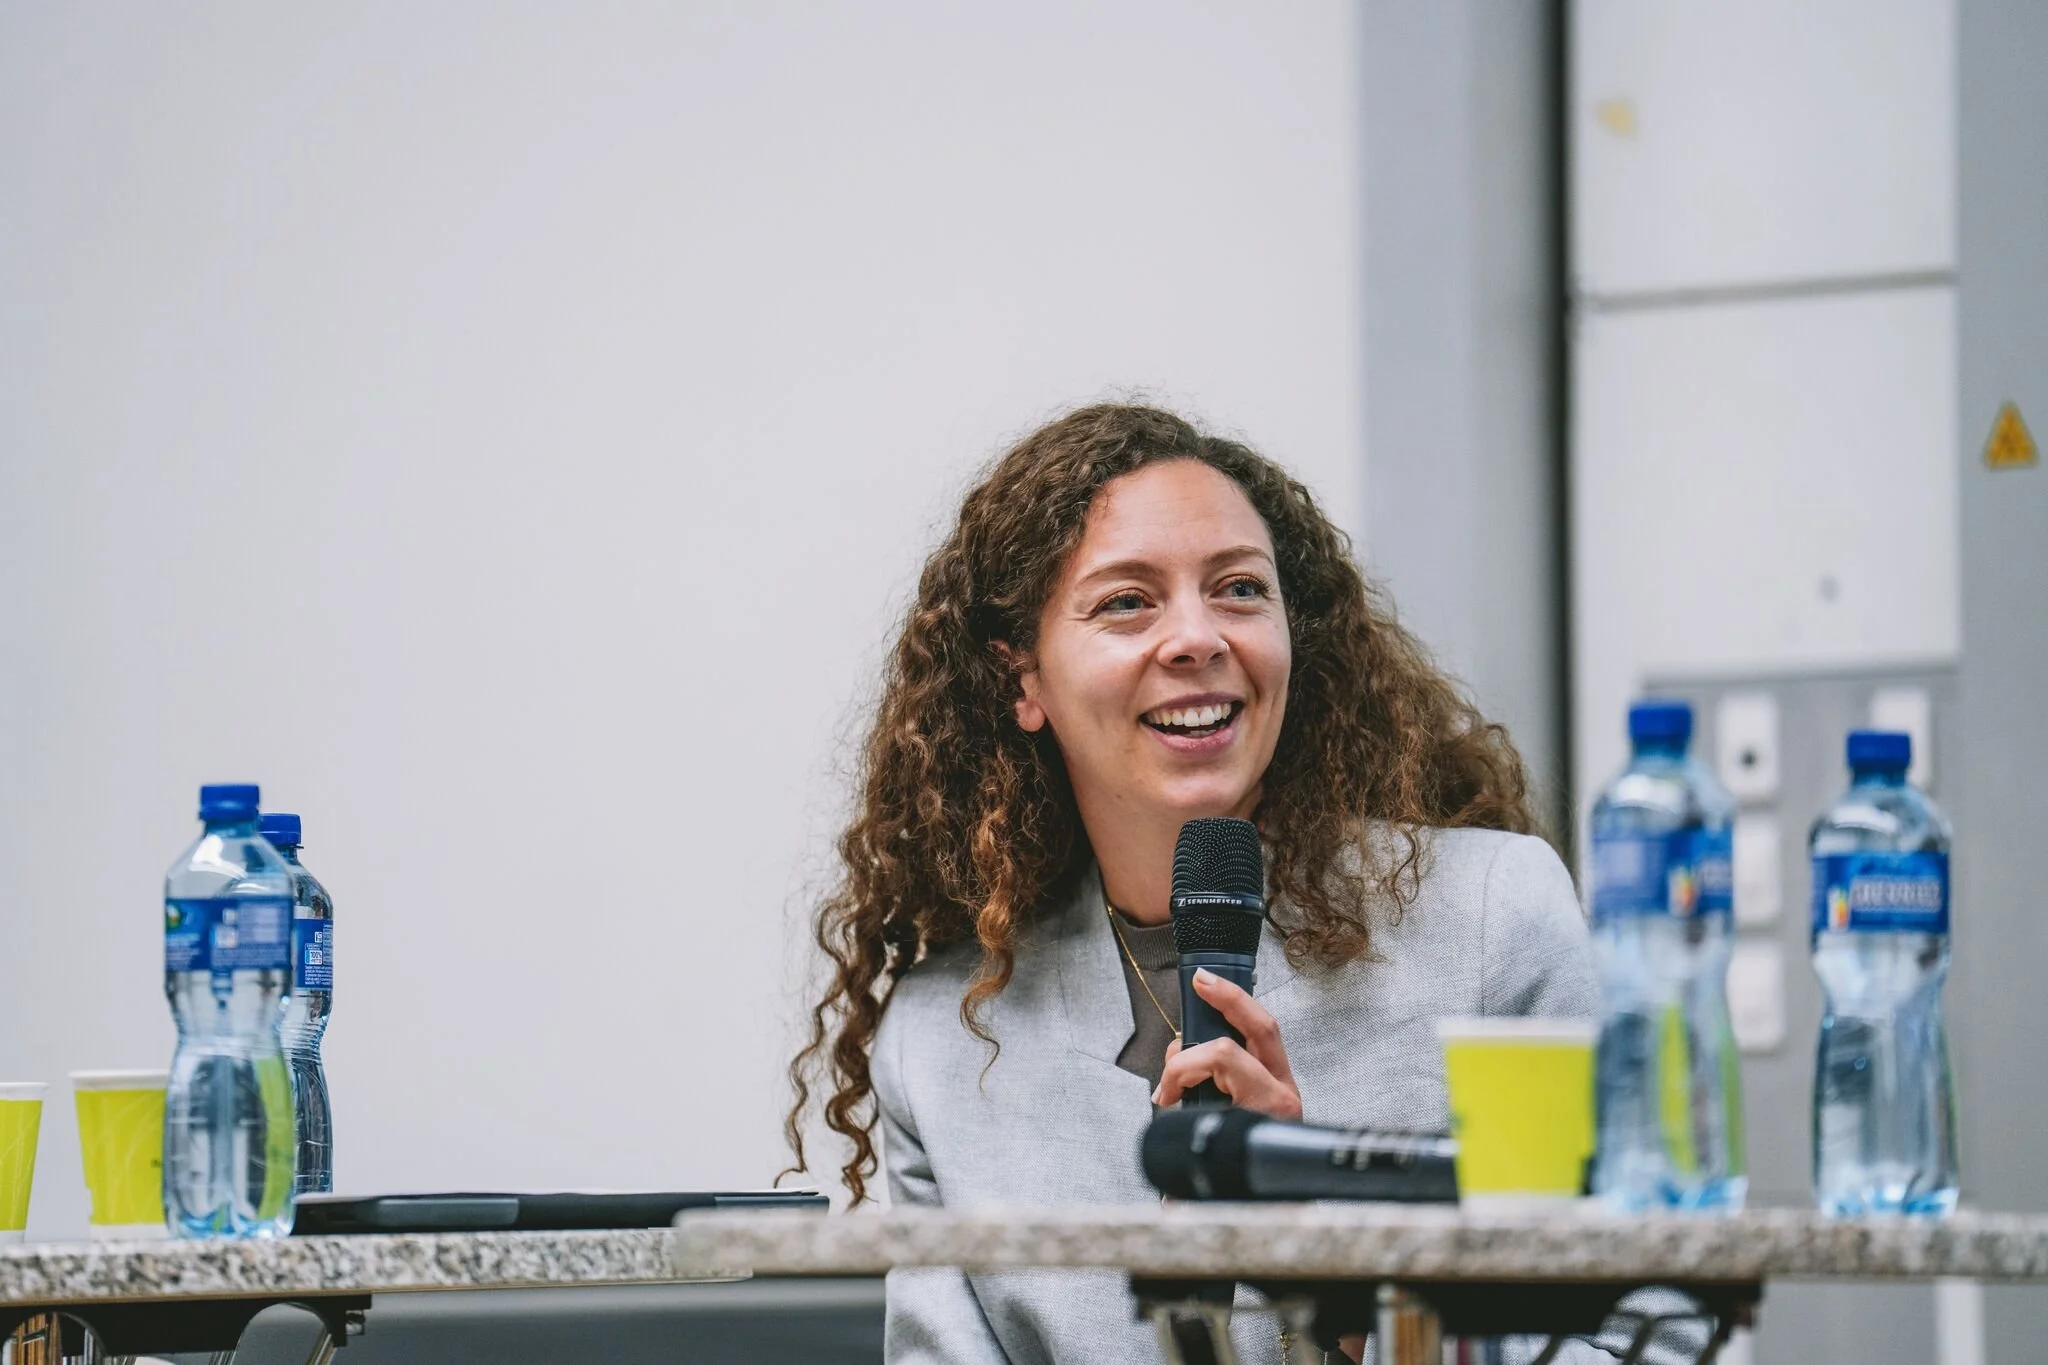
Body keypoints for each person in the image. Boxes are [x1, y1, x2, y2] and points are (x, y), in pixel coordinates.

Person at [786, 404, 1697, 1364]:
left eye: (1239, 590)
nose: (1196, 637)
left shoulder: (1489, 919)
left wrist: (1333, 1274)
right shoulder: (940, 1039)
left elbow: (1653, 1343)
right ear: (1024, 681)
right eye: (1127, 601)